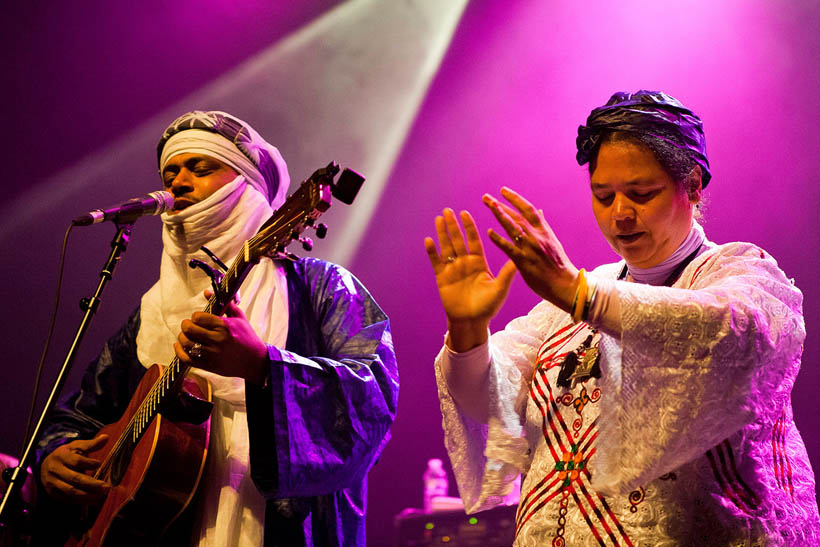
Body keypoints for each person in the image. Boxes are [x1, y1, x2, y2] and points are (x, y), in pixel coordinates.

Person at [425, 91, 819, 544]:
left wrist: (579, 293)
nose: (620, 214)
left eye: (641, 193)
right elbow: (493, 407)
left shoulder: (740, 272)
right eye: (603, 195)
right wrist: (469, 331)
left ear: (692, 185)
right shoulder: (569, 304)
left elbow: (734, 332)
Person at [34, 110, 399, 546]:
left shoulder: (321, 288)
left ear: (247, 184)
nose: (178, 183)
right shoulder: (149, 314)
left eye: (200, 168)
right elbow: (83, 412)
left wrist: (264, 365)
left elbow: (372, 404)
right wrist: (52, 455)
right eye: (170, 172)